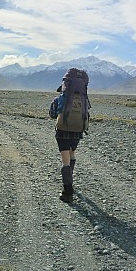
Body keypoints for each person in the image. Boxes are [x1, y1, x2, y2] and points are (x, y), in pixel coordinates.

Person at [49, 68, 89, 203]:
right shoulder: (83, 99)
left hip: (63, 130)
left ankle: (68, 191)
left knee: (65, 159)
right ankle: (70, 181)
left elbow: (52, 114)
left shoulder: (59, 99)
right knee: (72, 154)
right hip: (78, 130)